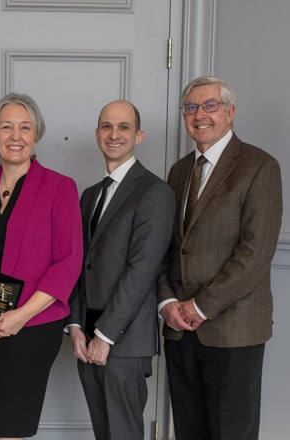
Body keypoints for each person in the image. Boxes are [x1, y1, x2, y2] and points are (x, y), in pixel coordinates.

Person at [0, 92, 83, 440]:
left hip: (32, 328)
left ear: (36, 135)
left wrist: (21, 315)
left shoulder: (59, 188)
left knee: (11, 427)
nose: (15, 135)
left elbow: (68, 261)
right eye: (6, 127)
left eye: (25, 127)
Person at [158, 76, 283, 440]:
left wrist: (199, 307)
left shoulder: (260, 166)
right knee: (189, 431)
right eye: (191, 107)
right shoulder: (179, 171)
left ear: (230, 112)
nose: (200, 115)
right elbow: (168, 246)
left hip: (233, 332)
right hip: (180, 332)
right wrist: (167, 303)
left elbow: (255, 253)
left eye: (210, 105)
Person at [66, 100, 175, 439]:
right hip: (87, 337)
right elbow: (78, 264)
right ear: (98, 134)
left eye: (124, 127)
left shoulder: (155, 192)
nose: (114, 134)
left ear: (138, 135)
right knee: (104, 433)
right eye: (107, 127)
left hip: (125, 341)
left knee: (123, 434)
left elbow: (141, 270)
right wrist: (75, 325)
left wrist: (105, 334)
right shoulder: (89, 195)